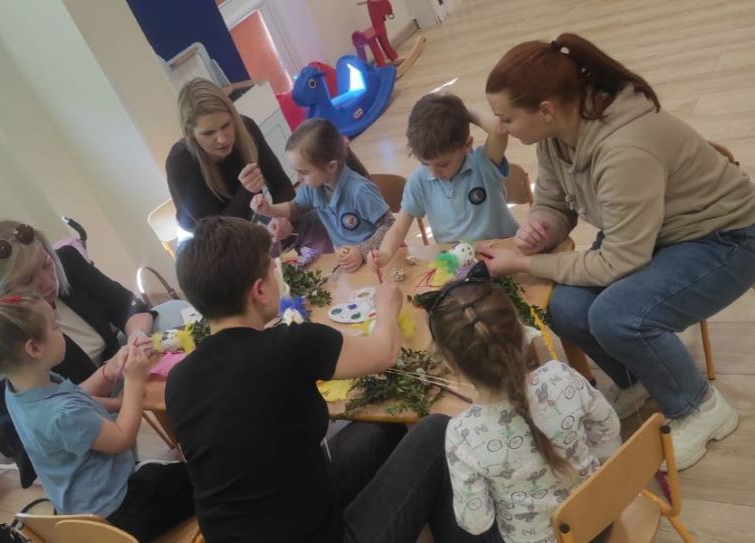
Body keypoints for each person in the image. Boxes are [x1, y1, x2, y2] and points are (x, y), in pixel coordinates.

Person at [481, 33, 755, 470]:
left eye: (506, 118)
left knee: (618, 316)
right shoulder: (555, 134)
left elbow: (620, 260)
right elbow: (554, 202)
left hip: (725, 238)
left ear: (545, 109)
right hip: (653, 234)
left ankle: (701, 408)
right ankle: (638, 378)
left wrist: (527, 261)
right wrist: (542, 226)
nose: (501, 128)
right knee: (563, 305)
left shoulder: (625, 148)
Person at [165, 216, 487, 543]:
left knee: (379, 430)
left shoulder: (177, 381)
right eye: (272, 270)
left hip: (274, 516)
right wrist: (386, 306)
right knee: (436, 431)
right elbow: (385, 353)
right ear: (259, 290)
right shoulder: (292, 344)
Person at [0, 287, 194, 541]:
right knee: (206, 474)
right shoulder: (61, 415)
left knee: (175, 473)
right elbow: (122, 438)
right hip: (119, 510)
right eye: (55, 327)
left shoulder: (21, 391)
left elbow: (78, 399)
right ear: (34, 348)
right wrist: (134, 381)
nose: (61, 332)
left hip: (85, 506)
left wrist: (115, 390)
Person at [420, 260, 620, 542]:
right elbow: (609, 430)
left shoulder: (462, 434)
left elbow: (476, 522)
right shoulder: (561, 375)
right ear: (522, 331)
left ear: (450, 364)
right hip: (599, 520)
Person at [0, 221, 157, 487]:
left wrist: (135, 339)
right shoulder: (10, 354)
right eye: (27, 281)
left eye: (47, 265)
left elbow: (130, 307)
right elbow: (69, 413)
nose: (48, 282)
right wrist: (119, 381)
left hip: (95, 404)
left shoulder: (69, 263)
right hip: (94, 467)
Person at [166, 77, 331, 252]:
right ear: (191, 134)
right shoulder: (180, 161)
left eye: (226, 125)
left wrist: (279, 218)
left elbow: (280, 183)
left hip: (249, 213)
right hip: (208, 240)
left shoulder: (246, 127)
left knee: (317, 221)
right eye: (208, 133)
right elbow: (218, 235)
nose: (222, 139)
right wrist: (247, 191)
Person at [370, 93, 518, 269]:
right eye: (425, 163)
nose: (434, 172)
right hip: (458, 263)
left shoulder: (484, 163)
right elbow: (398, 230)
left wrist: (460, 113)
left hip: (504, 253)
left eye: (442, 164)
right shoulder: (419, 180)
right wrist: (385, 253)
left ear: (466, 145)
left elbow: (498, 128)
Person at [251, 118, 394, 272]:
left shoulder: (359, 191)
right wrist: (268, 209)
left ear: (331, 166)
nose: (298, 178)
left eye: (304, 172)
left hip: (381, 260)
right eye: (296, 171)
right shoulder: (314, 187)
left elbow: (390, 225)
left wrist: (361, 252)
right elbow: (295, 208)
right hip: (352, 264)